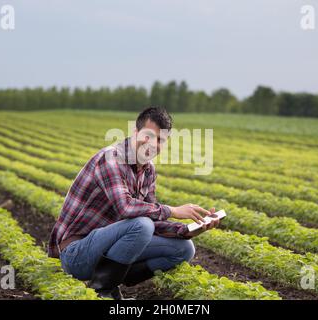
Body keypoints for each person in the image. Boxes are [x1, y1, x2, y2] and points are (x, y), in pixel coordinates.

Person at [48, 106, 220, 299]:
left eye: (160, 140)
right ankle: (103, 292)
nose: (152, 144)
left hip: (107, 250)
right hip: (77, 254)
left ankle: (112, 282)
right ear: (135, 132)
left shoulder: (148, 170)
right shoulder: (111, 158)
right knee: (141, 225)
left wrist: (189, 229)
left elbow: (152, 218)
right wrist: (172, 210)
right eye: (148, 136)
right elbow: (126, 208)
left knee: (184, 249)